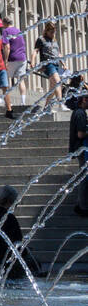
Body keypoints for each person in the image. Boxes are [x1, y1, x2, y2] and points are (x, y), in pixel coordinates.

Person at [33, 22, 65, 103]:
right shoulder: (41, 39)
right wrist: (33, 61)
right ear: (46, 31)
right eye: (51, 32)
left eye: (54, 32)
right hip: (48, 64)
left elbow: (58, 53)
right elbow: (35, 51)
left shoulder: (54, 40)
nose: (53, 34)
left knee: (53, 88)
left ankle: (46, 107)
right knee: (58, 82)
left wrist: (64, 64)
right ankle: (60, 103)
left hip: (56, 64)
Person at [69, 88, 88, 216]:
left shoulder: (77, 111)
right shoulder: (81, 113)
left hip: (78, 148)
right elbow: (81, 134)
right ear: (84, 100)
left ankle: (80, 204)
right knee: (84, 178)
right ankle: (82, 206)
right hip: (81, 148)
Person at [0, 16, 29, 104]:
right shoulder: (18, 31)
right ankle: (23, 102)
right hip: (22, 58)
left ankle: (8, 101)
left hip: (12, 58)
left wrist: (5, 60)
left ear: (4, 23)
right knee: (21, 80)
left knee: (6, 78)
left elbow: (7, 47)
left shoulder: (5, 31)